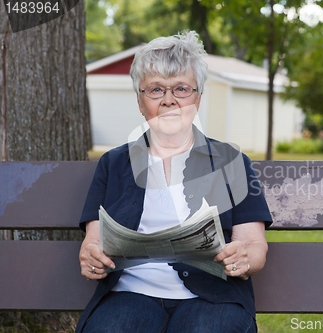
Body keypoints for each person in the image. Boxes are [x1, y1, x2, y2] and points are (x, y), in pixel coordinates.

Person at [76, 30, 272, 333]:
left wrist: (244, 257)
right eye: (155, 90)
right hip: (129, 294)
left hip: (211, 297)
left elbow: (254, 245)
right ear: (140, 102)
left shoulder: (232, 163)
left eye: (181, 89)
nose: (169, 101)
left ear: (198, 98)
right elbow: (94, 240)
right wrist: (92, 255)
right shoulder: (114, 164)